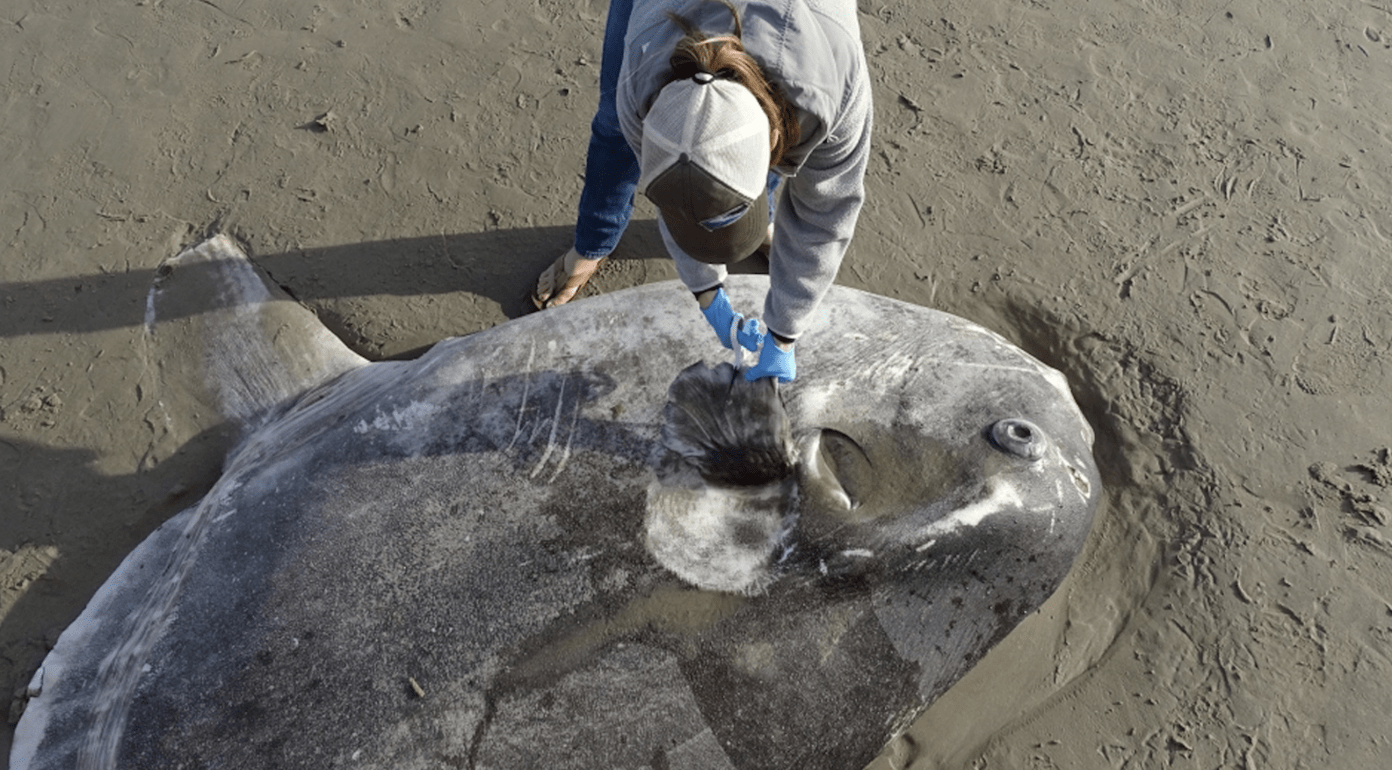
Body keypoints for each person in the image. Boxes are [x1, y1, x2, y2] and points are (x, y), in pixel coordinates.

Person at [532, 0, 871, 383]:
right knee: (613, 126)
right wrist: (707, 292)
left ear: (773, 133)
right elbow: (676, 183)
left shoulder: (832, 88)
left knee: (762, 155)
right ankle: (594, 242)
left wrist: (785, 333)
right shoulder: (644, 65)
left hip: (806, 41)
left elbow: (826, 214)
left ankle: (757, 215)